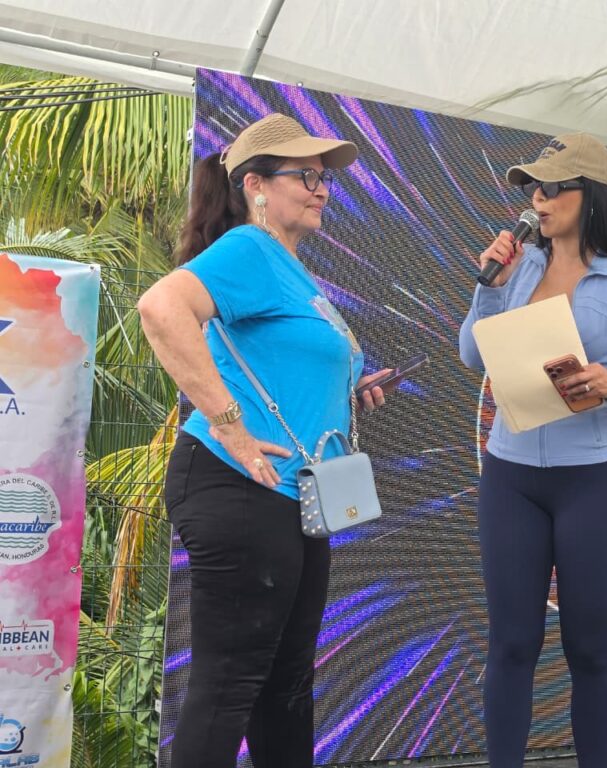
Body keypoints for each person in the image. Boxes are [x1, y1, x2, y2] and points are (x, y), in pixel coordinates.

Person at [138, 113, 391, 768]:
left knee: (285, 688)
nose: (322, 188)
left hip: (294, 496)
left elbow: (280, 365)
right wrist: (230, 425)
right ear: (255, 185)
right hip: (241, 485)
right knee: (231, 686)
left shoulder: (292, 271)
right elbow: (161, 308)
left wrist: (347, 387)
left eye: (324, 177)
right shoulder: (250, 249)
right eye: (305, 176)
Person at [458, 133, 607, 767]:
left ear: (593, 196)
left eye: (553, 187)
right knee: (511, 644)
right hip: (511, 477)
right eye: (533, 187)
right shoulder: (518, 267)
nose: (538, 198)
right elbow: (473, 355)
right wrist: (489, 286)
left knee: (590, 648)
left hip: (594, 481)